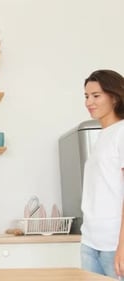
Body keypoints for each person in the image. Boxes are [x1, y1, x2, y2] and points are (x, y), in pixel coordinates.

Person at [80, 69, 124, 279]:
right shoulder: (102, 136)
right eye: (87, 96)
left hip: (113, 244)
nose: (89, 102)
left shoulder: (122, 132)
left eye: (96, 96)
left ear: (114, 97)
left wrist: (122, 246)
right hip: (90, 241)